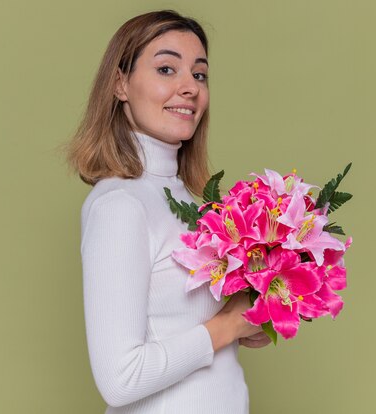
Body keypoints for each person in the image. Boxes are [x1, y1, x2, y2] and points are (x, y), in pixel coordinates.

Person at [66, 10, 270, 413]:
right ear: (120, 84)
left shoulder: (192, 203)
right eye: (166, 69)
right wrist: (224, 328)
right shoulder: (119, 206)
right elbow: (119, 379)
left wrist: (244, 322)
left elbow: (178, 324)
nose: (189, 88)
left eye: (198, 75)